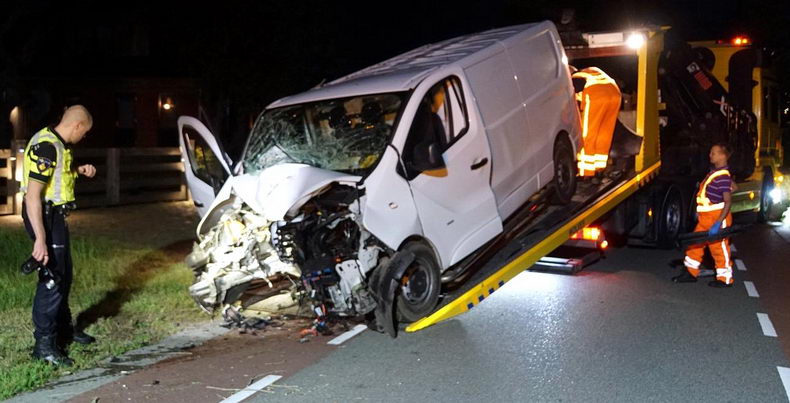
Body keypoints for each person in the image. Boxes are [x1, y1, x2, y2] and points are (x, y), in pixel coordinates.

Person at [21, 105, 97, 366]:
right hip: (44, 217)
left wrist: (78, 170)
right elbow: (32, 197)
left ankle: (64, 328)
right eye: (84, 132)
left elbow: (56, 178)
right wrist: (40, 239)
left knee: (64, 274)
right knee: (52, 279)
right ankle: (44, 346)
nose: (83, 137)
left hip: (55, 217)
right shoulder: (47, 147)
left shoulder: (57, 143)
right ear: (77, 126)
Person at [673, 143, 734, 288]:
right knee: (695, 244)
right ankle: (690, 272)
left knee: (719, 248)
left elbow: (728, 201)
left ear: (723, 156)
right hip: (706, 218)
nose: (710, 155)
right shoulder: (717, 173)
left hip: (717, 217)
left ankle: (725, 279)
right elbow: (733, 187)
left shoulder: (722, 176)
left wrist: (718, 223)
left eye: (713, 153)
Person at [571, 66, 622, 178]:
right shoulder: (592, 72)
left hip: (597, 96)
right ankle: (599, 168)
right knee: (604, 134)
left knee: (587, 134)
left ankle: (586, 172)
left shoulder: (575, 78)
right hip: (615, 95)